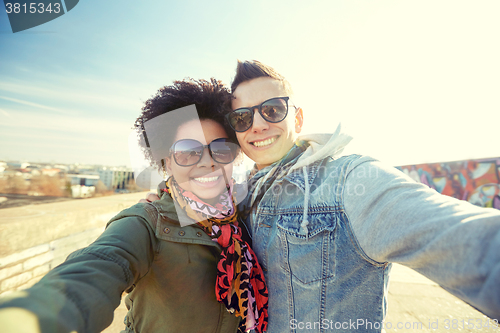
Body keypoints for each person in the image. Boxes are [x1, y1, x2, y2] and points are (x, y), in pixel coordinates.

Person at [222, 60, 500, 332]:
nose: (257, 125)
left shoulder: (349, 180)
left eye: (272, 109)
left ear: (297, 118)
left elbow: (465, 238)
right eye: (242, 117)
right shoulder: (239, 196)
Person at [0, 78, 269, 333]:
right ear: (166, 163)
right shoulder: (147, 222)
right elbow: (99, 266)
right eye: (188, 151)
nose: (207, 161)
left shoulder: (243, 214)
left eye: (220, 148)